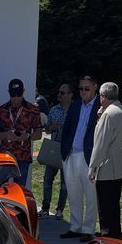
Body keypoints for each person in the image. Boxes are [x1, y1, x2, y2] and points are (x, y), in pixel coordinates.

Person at [59, 75, 100, 242]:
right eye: (81, 88)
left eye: (87, 88)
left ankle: (88, 229)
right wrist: (64, 152)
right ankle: (75, 227)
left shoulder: (101, 106)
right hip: (71, 155)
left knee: (91, 195)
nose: (83, 92)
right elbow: (67, 129)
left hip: (88, 156)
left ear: (95, 87)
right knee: (74, 193)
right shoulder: (75, 105)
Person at [88, 82, 122, 238]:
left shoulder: (108, 114)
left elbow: (100, 144)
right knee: (113, 205)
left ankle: (107, 239)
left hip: (106, 166)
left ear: (103, 96)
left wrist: (92, 167)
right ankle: (115, 236)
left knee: (105, 208)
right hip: (118, 164)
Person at [0, 78, 42, 187]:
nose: (16, 98)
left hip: (23, 156)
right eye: (13, 95)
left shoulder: (32, 110)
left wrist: (27, 136)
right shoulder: (1, 110)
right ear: (9, 93)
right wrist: (6, 135)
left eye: (18, 95)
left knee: (19, 190)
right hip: (4, 157)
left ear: (23, 92)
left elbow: (39, 134)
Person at [39, 82, 72, 219]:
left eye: (63, 93)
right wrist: (53, 127)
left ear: (70, 95)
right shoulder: (54, 110)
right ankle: (45, 208)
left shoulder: (75, 110)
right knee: (47, 180)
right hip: (54, 149)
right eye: (59, 92)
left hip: (69, 150)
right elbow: (46, 129)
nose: (59, 95)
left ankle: (59, 210)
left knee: (65, 183)